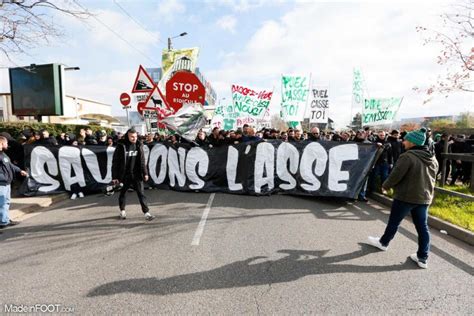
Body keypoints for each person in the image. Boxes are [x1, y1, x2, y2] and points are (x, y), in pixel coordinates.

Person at [367, 127, 438, 269]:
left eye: (406, 139)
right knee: (422, 227)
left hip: (406, 196)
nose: (403, 141)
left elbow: (396, 174)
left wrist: (385, 185)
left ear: (412, 142)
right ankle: (422, 257)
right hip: (424, 198)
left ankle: (383, 243)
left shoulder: (407, 156)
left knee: (394, 222)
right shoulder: (432, 158)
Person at [112, 128, 155, 221]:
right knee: (123, 193)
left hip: (136, 174)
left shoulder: (139, 144)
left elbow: (143, 160)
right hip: (124, 175)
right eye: (132, 137)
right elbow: (115, 162)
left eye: (135, 136)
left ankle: (147, 213)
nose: (134, 138)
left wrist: (145, 173)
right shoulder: (121, 145)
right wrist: (115, 177)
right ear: (127, 136)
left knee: (141, 194)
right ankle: (122, 210)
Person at [0, 136, 28, 229]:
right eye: (6, 143)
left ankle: (5, 220)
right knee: (1, 203)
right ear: (1, 143)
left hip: (7, 183)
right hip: (1, 183)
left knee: (6, 202)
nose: (7, 145)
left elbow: (10, 165)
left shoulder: (3, 154)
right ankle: (2, 221)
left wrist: (19, 170)